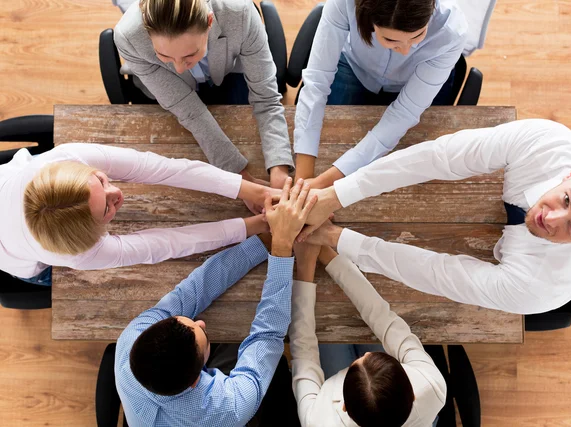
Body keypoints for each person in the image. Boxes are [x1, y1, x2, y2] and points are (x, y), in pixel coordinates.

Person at [299, 119, 571, 315]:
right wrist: (335, 194)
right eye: (566, 198)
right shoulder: (550, 143)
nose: (551, 218)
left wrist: (336, 238)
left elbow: (437, 273)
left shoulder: (540, 289)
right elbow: (441, 157)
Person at [115, 178, 315, 426]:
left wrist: (265, 240)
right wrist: (282, 246)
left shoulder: (132, 336)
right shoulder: (229, 408)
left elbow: (194, 290)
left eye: (189, 322)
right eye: (202, 335)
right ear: (197, 378)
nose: (200, 322)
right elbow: (268, 334)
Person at [0, 143, 274, 285]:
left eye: (102, 181)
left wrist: (255, 193)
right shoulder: (77, 253)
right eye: (107, 208)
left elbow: (164, 168)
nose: (117, 193)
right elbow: (167, 244)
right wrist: (255, 224)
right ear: (91, 233)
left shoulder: (66, 157)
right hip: (14, 257)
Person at [114, 0, 294, 187]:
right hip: (165, 95)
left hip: (226, 74)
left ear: (210, 22)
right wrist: (237, 180)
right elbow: (189, 111)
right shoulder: (128, 37)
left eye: (189, 55)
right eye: (165, 56)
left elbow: (267, 98)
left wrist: (279, 168)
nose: (178, 68)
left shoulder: (239, 13)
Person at [293, 0, 467, 186]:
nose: (406, 50)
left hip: (414, 81)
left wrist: (323, 184)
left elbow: (405, 113)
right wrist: (302, 181)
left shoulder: (451, 29)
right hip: (355, 67)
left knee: (410, 164)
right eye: (391, 40)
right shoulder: (344, 3)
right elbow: (316, 83)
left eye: (418, 35)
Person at [290, 243, 446, 426]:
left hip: (339, 400)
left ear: (344, 407)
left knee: (329, 330)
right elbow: (385, 320)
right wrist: (328, 255)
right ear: (413, 394)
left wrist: (305, 268)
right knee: (370, 334)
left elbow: (304, 355)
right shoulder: (430, 385)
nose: (366, 354)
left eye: (359, 361)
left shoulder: (318, 420)